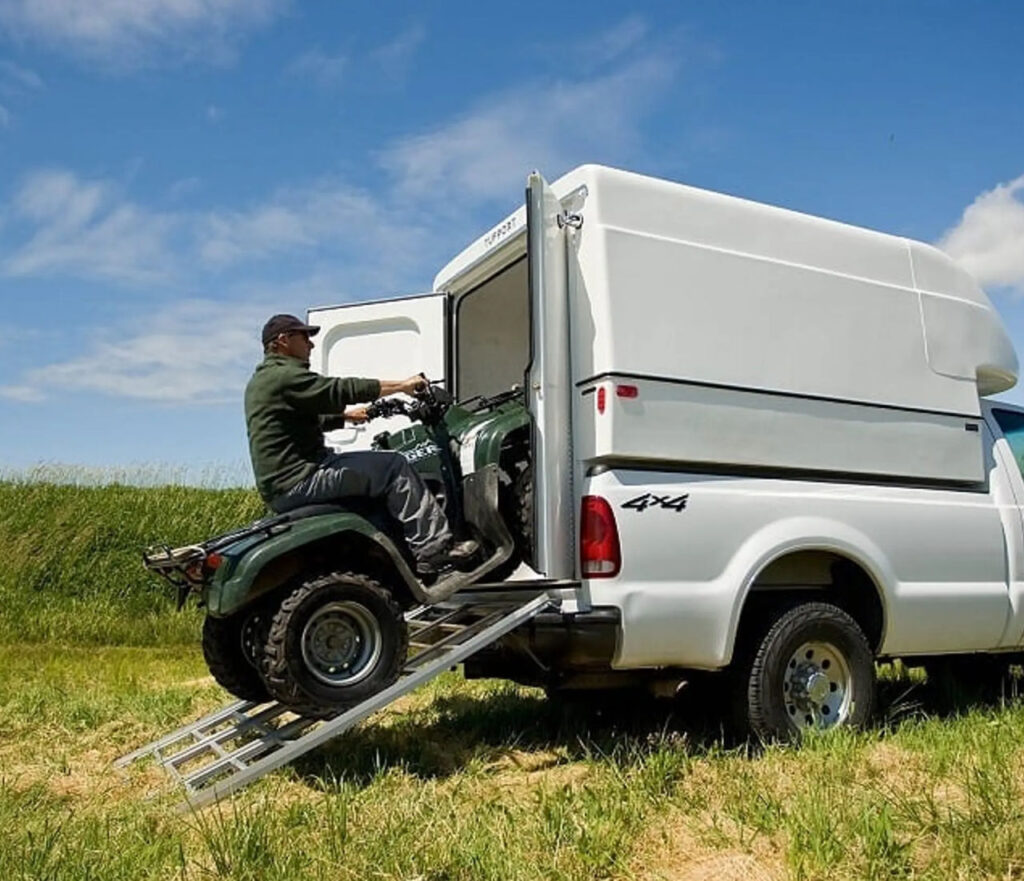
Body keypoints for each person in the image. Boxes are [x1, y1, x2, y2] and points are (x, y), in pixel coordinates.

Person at [244, 313, 478, 575]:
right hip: (301, 478)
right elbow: (339, 389)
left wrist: (347, 417)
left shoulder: (262, 380)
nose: (310, 344)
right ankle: (434, 550)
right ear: (283, 340)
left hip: (282, 485)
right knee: (393, 465)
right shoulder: (284, 375)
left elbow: (297, 418)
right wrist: (402, 385)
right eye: (305, 337)